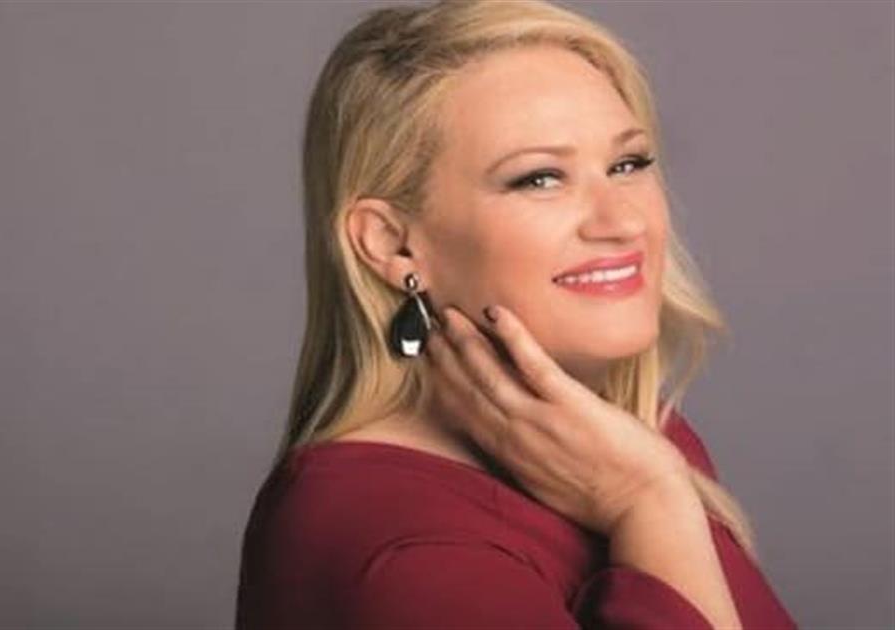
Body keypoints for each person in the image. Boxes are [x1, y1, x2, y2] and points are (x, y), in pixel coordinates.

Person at [235, 1, 798, 628]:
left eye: (628, 164)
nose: (623, 222)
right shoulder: (398, 543)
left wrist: (651, 489)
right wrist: (649, 504)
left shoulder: (626, 442)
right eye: (539, 179)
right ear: (392, 243)